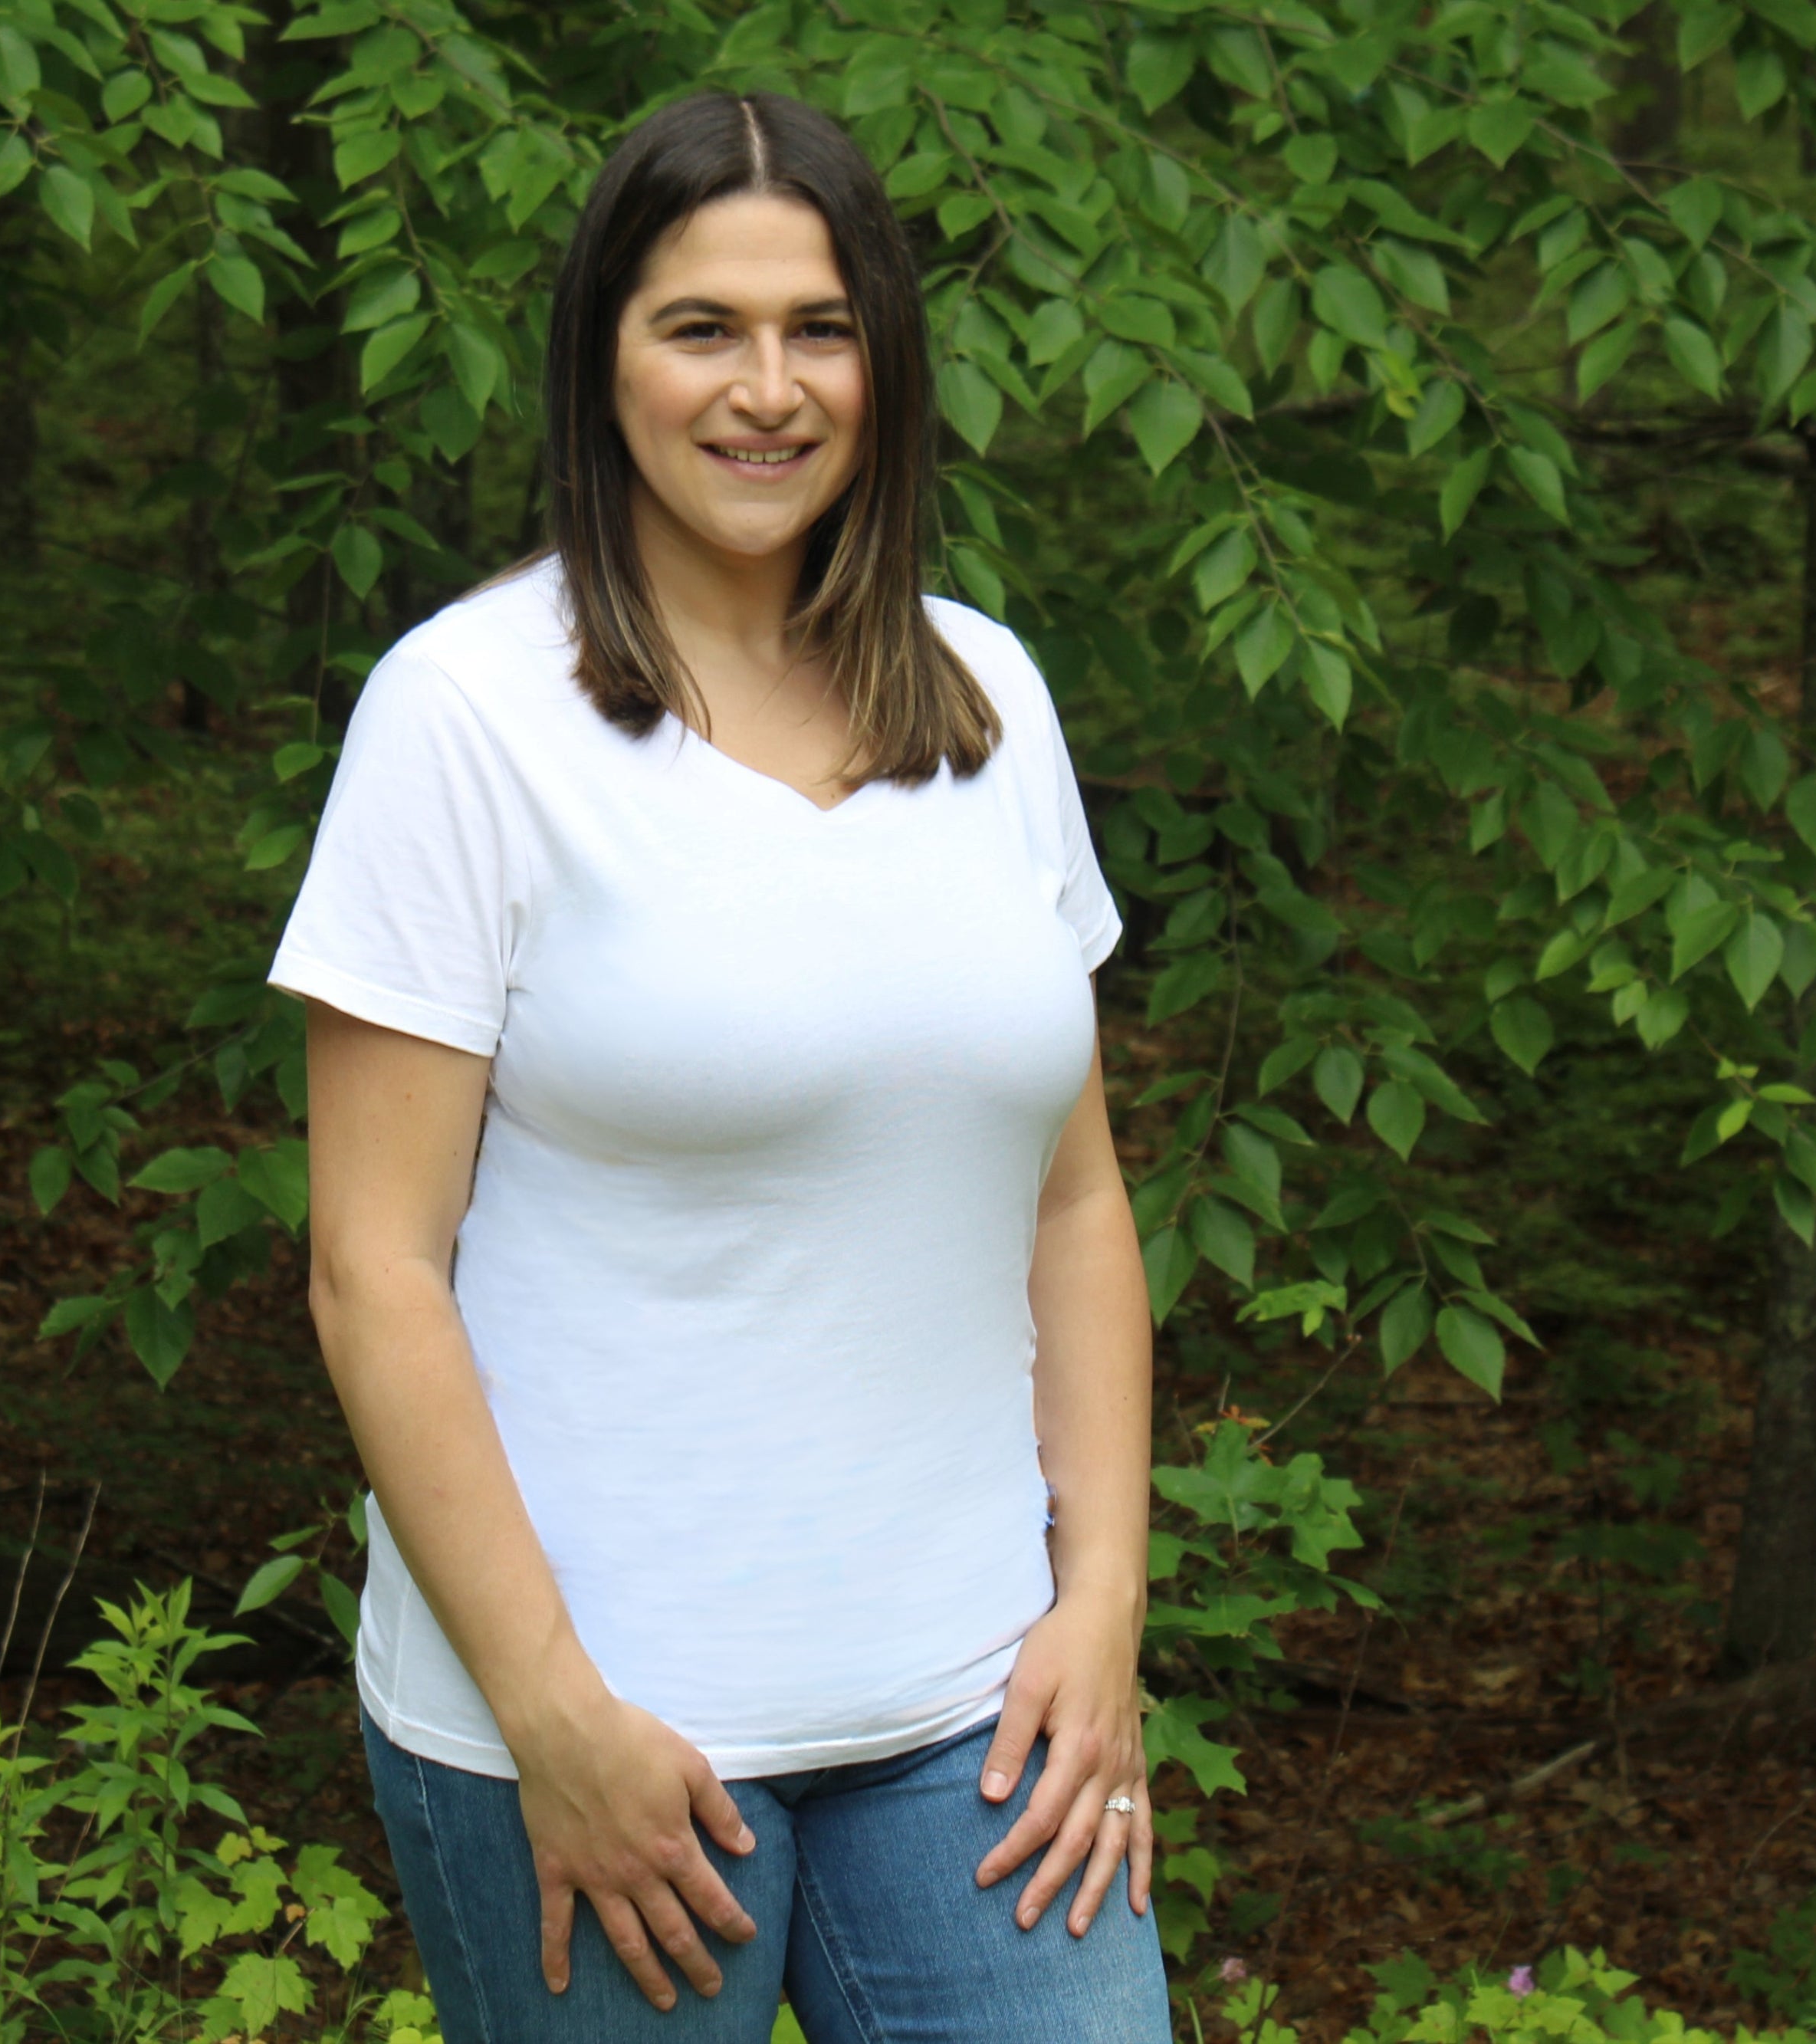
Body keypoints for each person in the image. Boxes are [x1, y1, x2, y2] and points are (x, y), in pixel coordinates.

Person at [268, 87, 1165, 2043]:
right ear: (605, 360)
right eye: (702, 329)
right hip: (611, 1734)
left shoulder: (988, 694)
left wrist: (1100, 1603)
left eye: (817, 329)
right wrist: (551, 1712)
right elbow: (373, 1269)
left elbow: (1075, 1195)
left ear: (884, 367)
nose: (767, 390)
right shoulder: (465, 717)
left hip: (975, 1714)